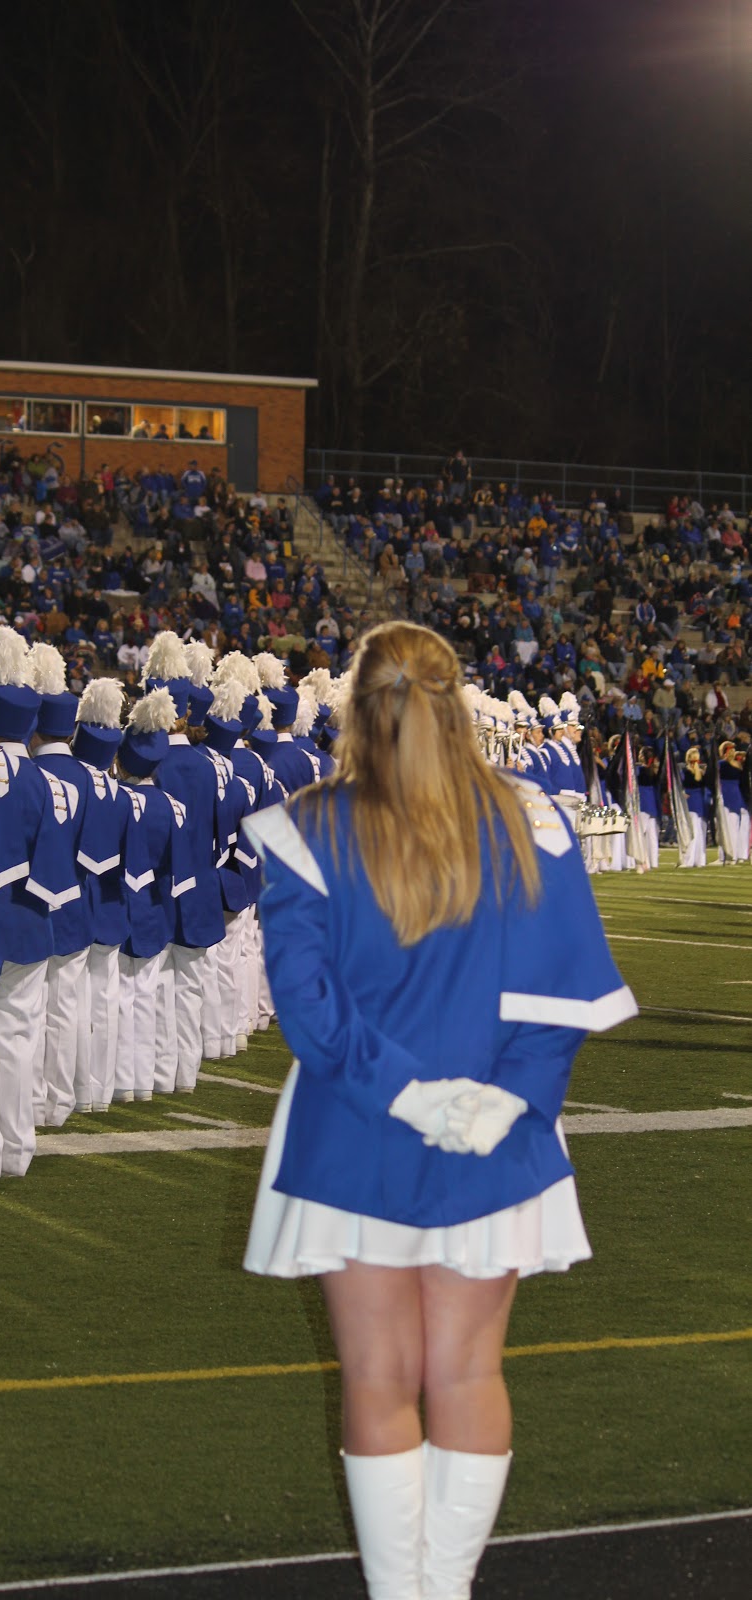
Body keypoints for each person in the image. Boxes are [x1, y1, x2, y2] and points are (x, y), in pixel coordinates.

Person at [242, 622, 637, 1600]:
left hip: (353, 1130)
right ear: (456, 702)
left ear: (354, 711)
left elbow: (309, 1009)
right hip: (495, 1137)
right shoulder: (531, 819)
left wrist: (408, 1094)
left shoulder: (303, 825)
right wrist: (502, 1104)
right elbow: (565, 997)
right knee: (464, 1372)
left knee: (378, 1375)